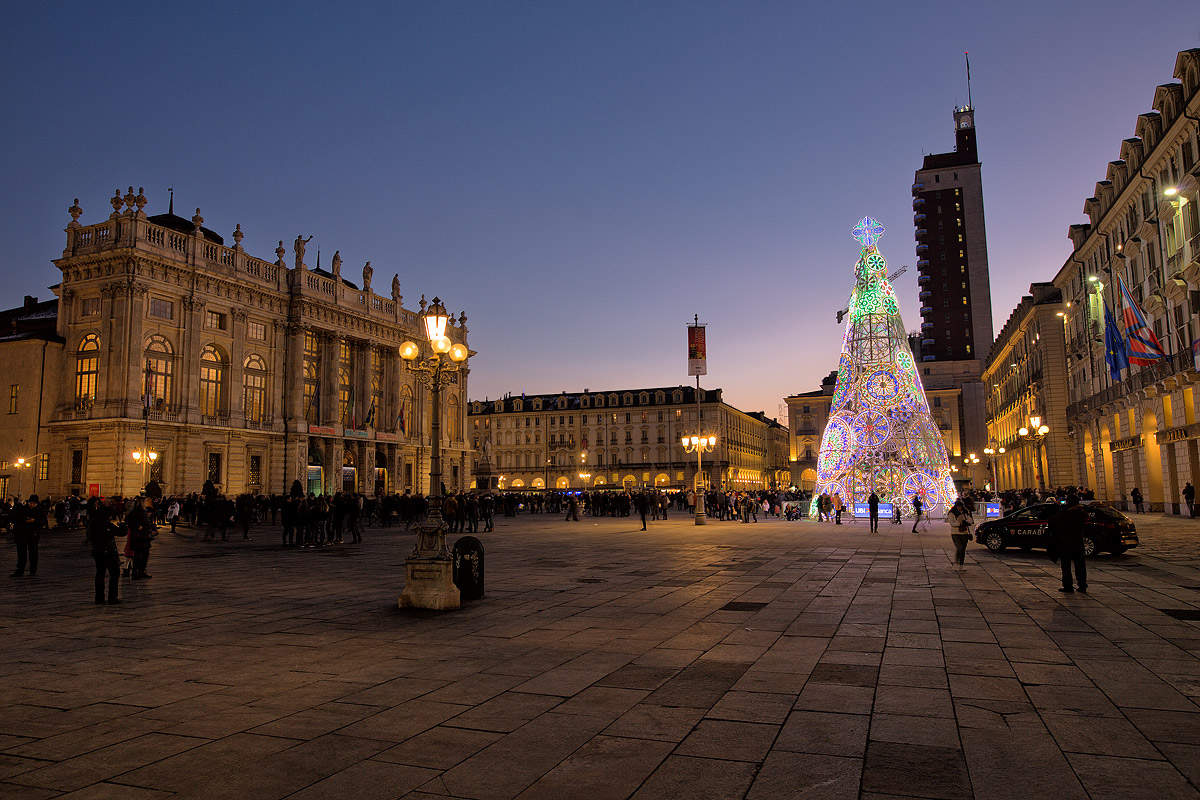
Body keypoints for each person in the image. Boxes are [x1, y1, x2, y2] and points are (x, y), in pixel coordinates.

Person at [1049, 493, 1088, 593]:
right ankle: (1082, 585)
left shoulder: (1065, 513)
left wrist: (1057, 506)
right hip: (1078, 542)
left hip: (1065, 542)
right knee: (1080, 565)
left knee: (1066, 566)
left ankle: (1068, 586)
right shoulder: (1081, 512)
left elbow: (1053, 520)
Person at [86, 497, 121, 604]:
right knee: (114, 573)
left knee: (100, 574)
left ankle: (99, 598)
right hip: (109, 551)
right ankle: (112, 598)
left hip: (97, 551)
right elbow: (121, 532)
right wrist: (122, 525)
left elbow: (89, 535)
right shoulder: (106, 524)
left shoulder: (93, 522)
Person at [10, 495, 42, 577]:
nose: (32, 505)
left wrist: (34, 521)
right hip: (22, 535)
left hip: (33, 535)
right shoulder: (23, 510)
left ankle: (33, 570)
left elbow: (42, 521)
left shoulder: (39, 511)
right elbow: (17, 519)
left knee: (33, 553)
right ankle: (20, 570)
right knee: (21, 554)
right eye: (31, 503)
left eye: (33, 504)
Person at [125, 499, 156, 580]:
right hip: (139, 538)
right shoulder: (136, 512)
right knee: (138, 556)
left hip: (144, 537)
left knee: (144, 555)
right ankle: (135, 573)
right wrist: (137, 526)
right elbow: (128, 521)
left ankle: (141, 572)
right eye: (145, 502)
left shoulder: (143, 512)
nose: (146, 503)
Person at [946, 498, 973, 568]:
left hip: (964, 532)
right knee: (959, 548)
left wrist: (966, 522)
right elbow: (952, 523)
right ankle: (957, 560)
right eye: (958, 507)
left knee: (963, 549)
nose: (959, 508)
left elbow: (970, 520)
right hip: (955, 533)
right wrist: (959, 524)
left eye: (960, 507)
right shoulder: (952, 513)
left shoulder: (965, 512)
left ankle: (961, 563)